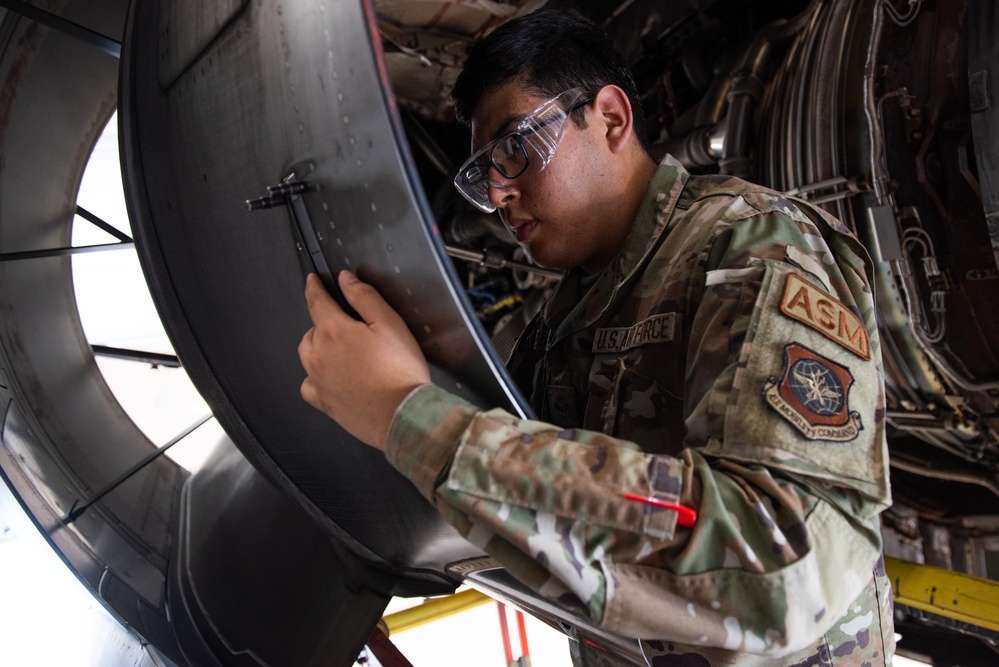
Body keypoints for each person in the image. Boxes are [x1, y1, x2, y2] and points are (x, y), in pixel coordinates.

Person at [298, 9, 894, 666]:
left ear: (608, 118)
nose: (498, 192)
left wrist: (407, 415)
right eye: (483, 173)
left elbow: (782, 565)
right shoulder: (567, 316)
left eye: (513, 147)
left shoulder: (750, 246)